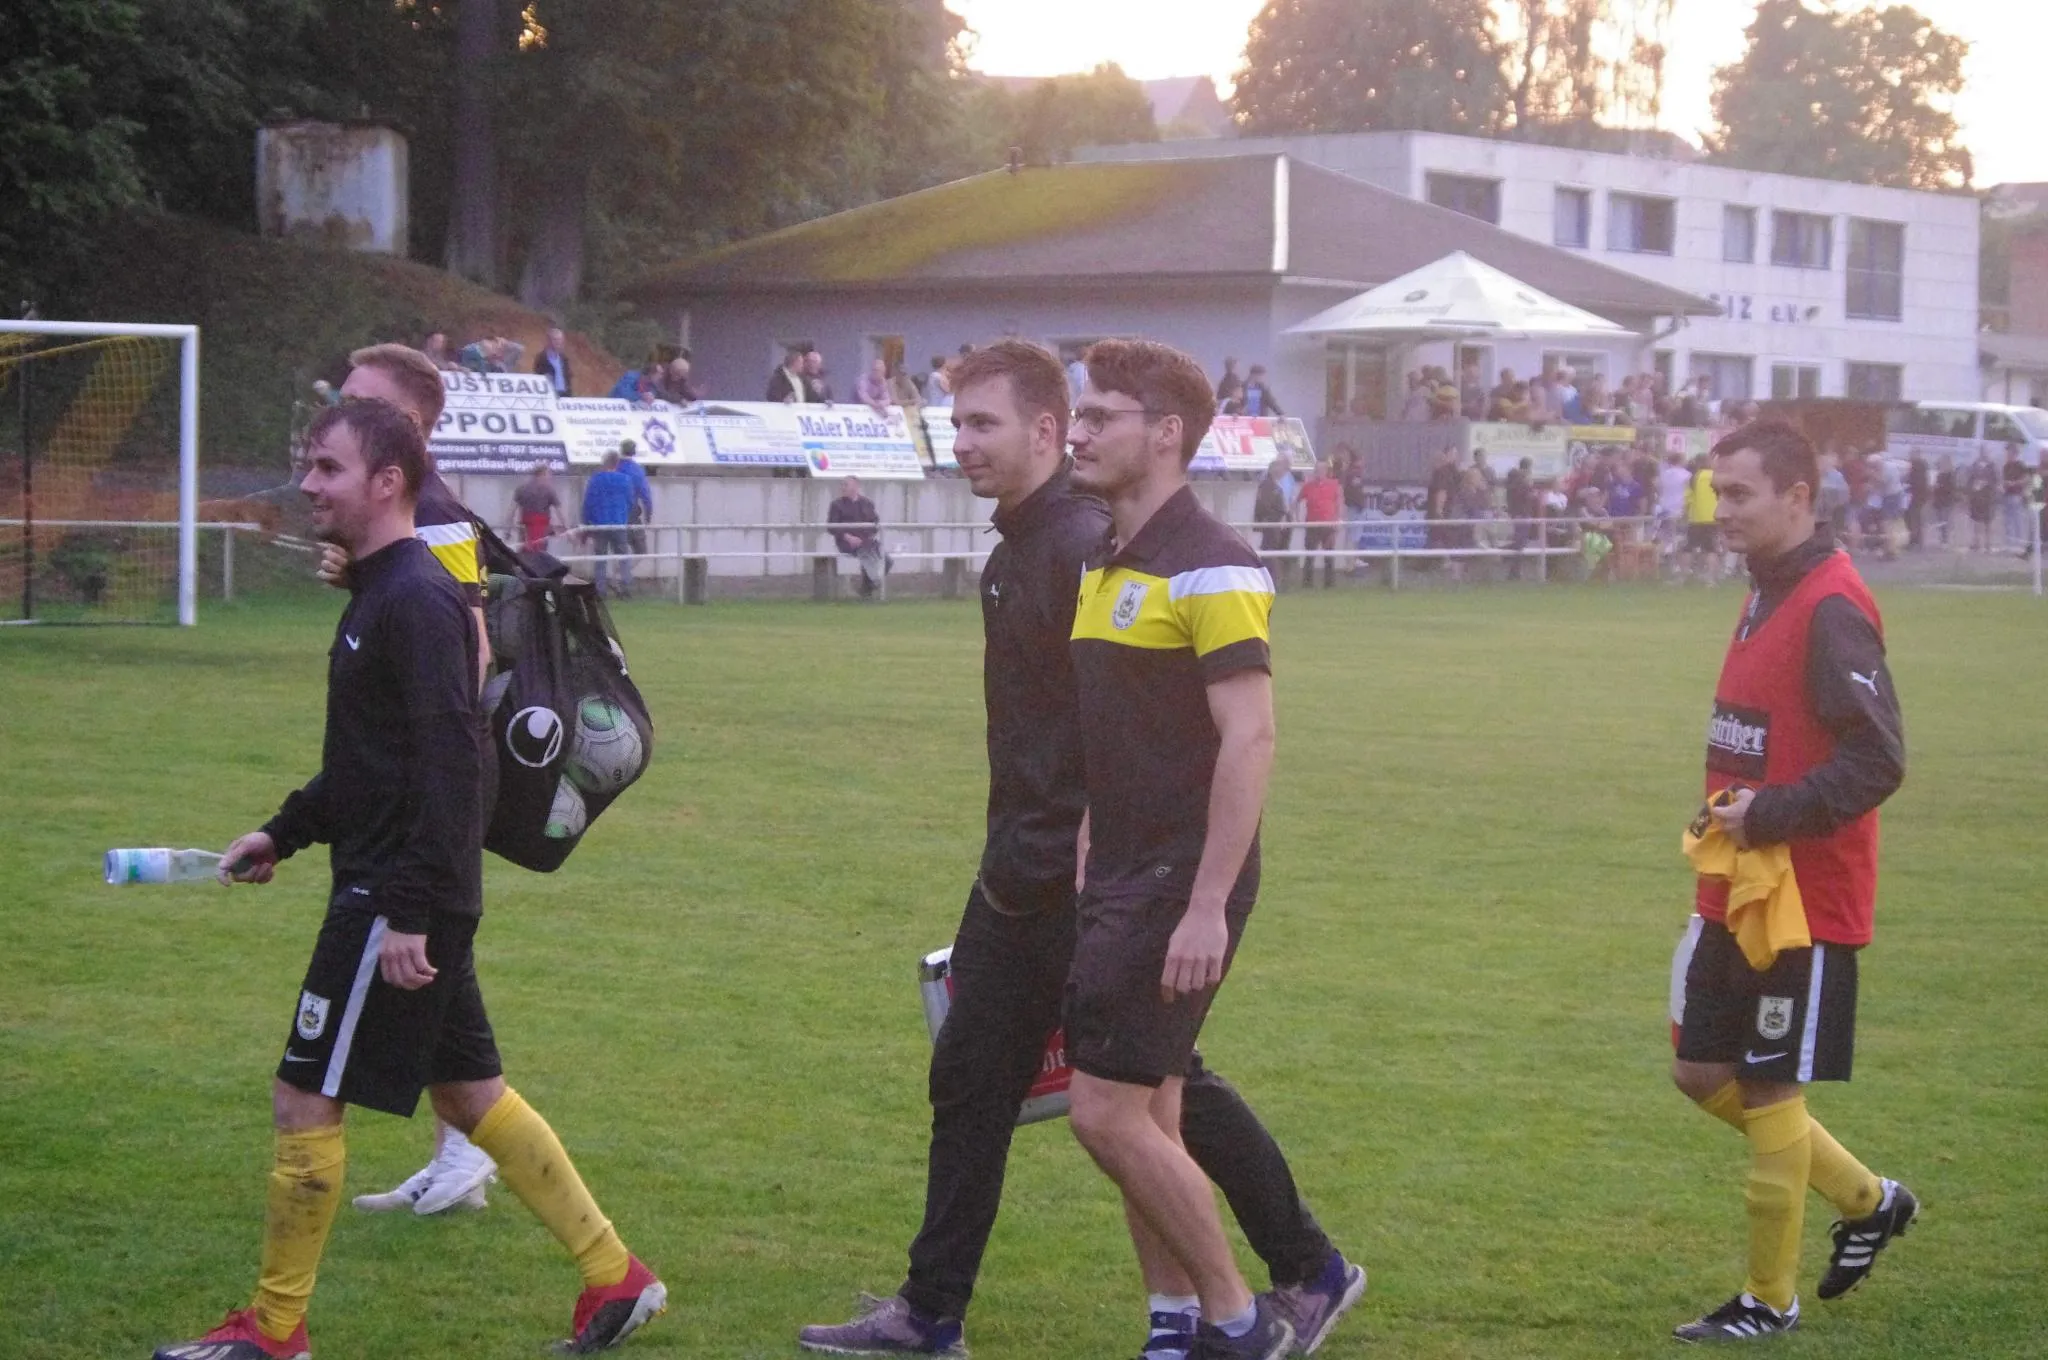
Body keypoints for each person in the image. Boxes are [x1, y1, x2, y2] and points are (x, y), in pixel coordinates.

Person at [799, 341, 1362, 1360]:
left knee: (1146, 1094)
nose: (961, 443)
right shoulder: (1042, 552)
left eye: (982, 424)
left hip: (1091, 877)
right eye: (955, 424)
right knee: (989, 1080)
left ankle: (1270, 1286)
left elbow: (1193, 730)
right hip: (1028, 871)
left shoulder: (1087, 545)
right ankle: (939, 1312)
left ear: (1047, 431)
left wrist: (1158, 877)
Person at [152, 400, 664, 1360]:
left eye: (328, 469)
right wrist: (283, 832)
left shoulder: (417, 600)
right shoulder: (382, 591)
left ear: (388, 482)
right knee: (471, 1094)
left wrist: (411, 914)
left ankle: (274, 1331)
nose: (309, 485)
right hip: (404, 887)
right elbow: (370, 760)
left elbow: (453, 765)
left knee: (304, 1099)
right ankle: (615, 1277)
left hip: (393, 897)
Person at [1059, 338, 1293, 1360]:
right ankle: (1174, 1323)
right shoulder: (1106, 558)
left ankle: (1239, 1321)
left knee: (1101, 1113)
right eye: (1080, 412)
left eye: (1099, 414)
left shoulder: (1213, 561)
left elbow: (1251, 736)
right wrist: (1087, 836)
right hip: (1122, 868)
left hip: (1176, 879)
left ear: (1165, 433)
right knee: (1150, 1110)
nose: (1078, 431)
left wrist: (1206, 903)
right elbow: (1122, 727)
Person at [1666, 419, 1915, 1344]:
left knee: (1769, 1088)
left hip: (1801, 902)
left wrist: (1769, 813)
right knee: (1701, 1071)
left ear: (1798, 496)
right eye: (1717, 491)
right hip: (1739, 885)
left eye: (1739, 494)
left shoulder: (1831, 603)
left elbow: (1878, 759)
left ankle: (1768, 1299)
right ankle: (1869, 1199)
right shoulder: (1766, 587)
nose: (1721, 509)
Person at [316, 344, 499, 1218]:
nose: (344, 409)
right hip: (408, 780)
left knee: (426, 956)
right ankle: (460, 1151)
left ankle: (464, 1147)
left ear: (412, 424)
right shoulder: (396, 518)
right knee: (437, 976)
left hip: (432, 779)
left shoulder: (441, 515)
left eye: (365, 400)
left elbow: (470, 644)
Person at [580, 449, 636, 599]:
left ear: (604, 463)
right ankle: (626, 588)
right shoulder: (626, 480)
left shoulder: (595, 480)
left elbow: (588, 504)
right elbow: (631, 502)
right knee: (623, 557)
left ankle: (600, 590)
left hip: (600, 524)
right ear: (617, 463)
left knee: (600, 558)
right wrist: (626, 517)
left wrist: (585, 525)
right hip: (619, 522)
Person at [828, 474, 885, 597]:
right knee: (866, 553)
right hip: (846, 542)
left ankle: (867, 588)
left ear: (856, 487)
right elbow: (831, 527)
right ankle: (875, 580)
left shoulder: (867, 503)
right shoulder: (836, 505)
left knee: (887, 559)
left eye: (846, 485)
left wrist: (869, 535)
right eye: (842, 485)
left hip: (867, 541)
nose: (842, 488)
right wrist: (848, 537)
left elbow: (875, 523)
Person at [1295, 459, 1343, 589]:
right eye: (1317, 469)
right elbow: (1297, 501)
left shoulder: (1334, 485)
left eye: (1322, 469)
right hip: (1312, 525)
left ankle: (1329, 584)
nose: (1319, 472)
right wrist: (1297, 518)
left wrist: (1338, 520)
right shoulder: (1308, 486)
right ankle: (1307, 584)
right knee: (1310, 554)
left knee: (1329, 555)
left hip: (1328, 525)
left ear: (1326, 471)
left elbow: (1339, 503)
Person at [1252, 456, 1293, 588]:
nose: (1282, 472)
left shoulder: (1276, 484)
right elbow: (1265, 506)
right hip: (1271, 524)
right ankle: (1270, 581)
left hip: (1277, 524)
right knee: (1269, 552)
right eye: (1280, 469)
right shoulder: (1268, 486)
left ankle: (1273, 580)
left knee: (1273, 551)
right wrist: (1277, 517)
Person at [617, 438, 656, 569]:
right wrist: (648, 516)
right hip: (630, 515)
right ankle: (621, 574)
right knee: (641, 550)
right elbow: (646, 496)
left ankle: (614, 573)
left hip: (611, 514)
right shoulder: (637, 470)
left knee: (617, 549)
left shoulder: (613, 468)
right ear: (634, 452)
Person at [1685, 456, 1722, 586]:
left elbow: (1688, 498)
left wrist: (1686, 513)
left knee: (1688, 547)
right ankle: (1710, 578)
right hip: (1714, 517)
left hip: (1696, 518)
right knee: (1711, 549)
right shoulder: (1717, 477)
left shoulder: (1694, 478)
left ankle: (1684, 575)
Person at [512, 463, 565, 550]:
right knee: (540, 551)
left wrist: (507, 529)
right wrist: (566, 528)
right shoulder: (549, 490)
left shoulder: (521, 489)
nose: (550, 477)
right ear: (542, 474)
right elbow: (559, 511)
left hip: (525, 529)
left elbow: (511, 510)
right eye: (548, 474)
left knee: (525, 551)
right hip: (542, 528)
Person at [2000, 441, 2030, 553]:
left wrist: (2014, 483)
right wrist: (2003, 485)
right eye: (2007, 451)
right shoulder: (2006, 466)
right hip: (2006, 495)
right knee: (2008, 520)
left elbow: (2026, 479)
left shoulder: (2020, 465)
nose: (2007, 454)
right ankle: (2010, 543)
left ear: (2015, 453)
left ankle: (2019, 544)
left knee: (2017, 520)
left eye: (2009, 451)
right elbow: (2003, 480)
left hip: (2016, 495)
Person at [1965, 451, 1997, 552]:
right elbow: (1969, 481)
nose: (1983, 455)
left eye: (1986, 452)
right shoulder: (1974, 466)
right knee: (1976, 522)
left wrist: (1986, 483)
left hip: (1988, 499)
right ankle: (1977, 543)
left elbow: (1996, 481)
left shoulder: (1992, 467)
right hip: (1976, 499)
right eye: (1982, 452)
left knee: (1988, 523)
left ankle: (1988, 544)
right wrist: (1972, 488)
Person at [532, 326, 573, 396]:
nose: (558, 342)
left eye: (560, 340)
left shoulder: (564, 359)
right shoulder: (542, 358)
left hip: (564, 395)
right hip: (549, 395)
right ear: (549, 340)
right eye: (555, 340)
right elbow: (538, 376)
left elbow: (567, 378)